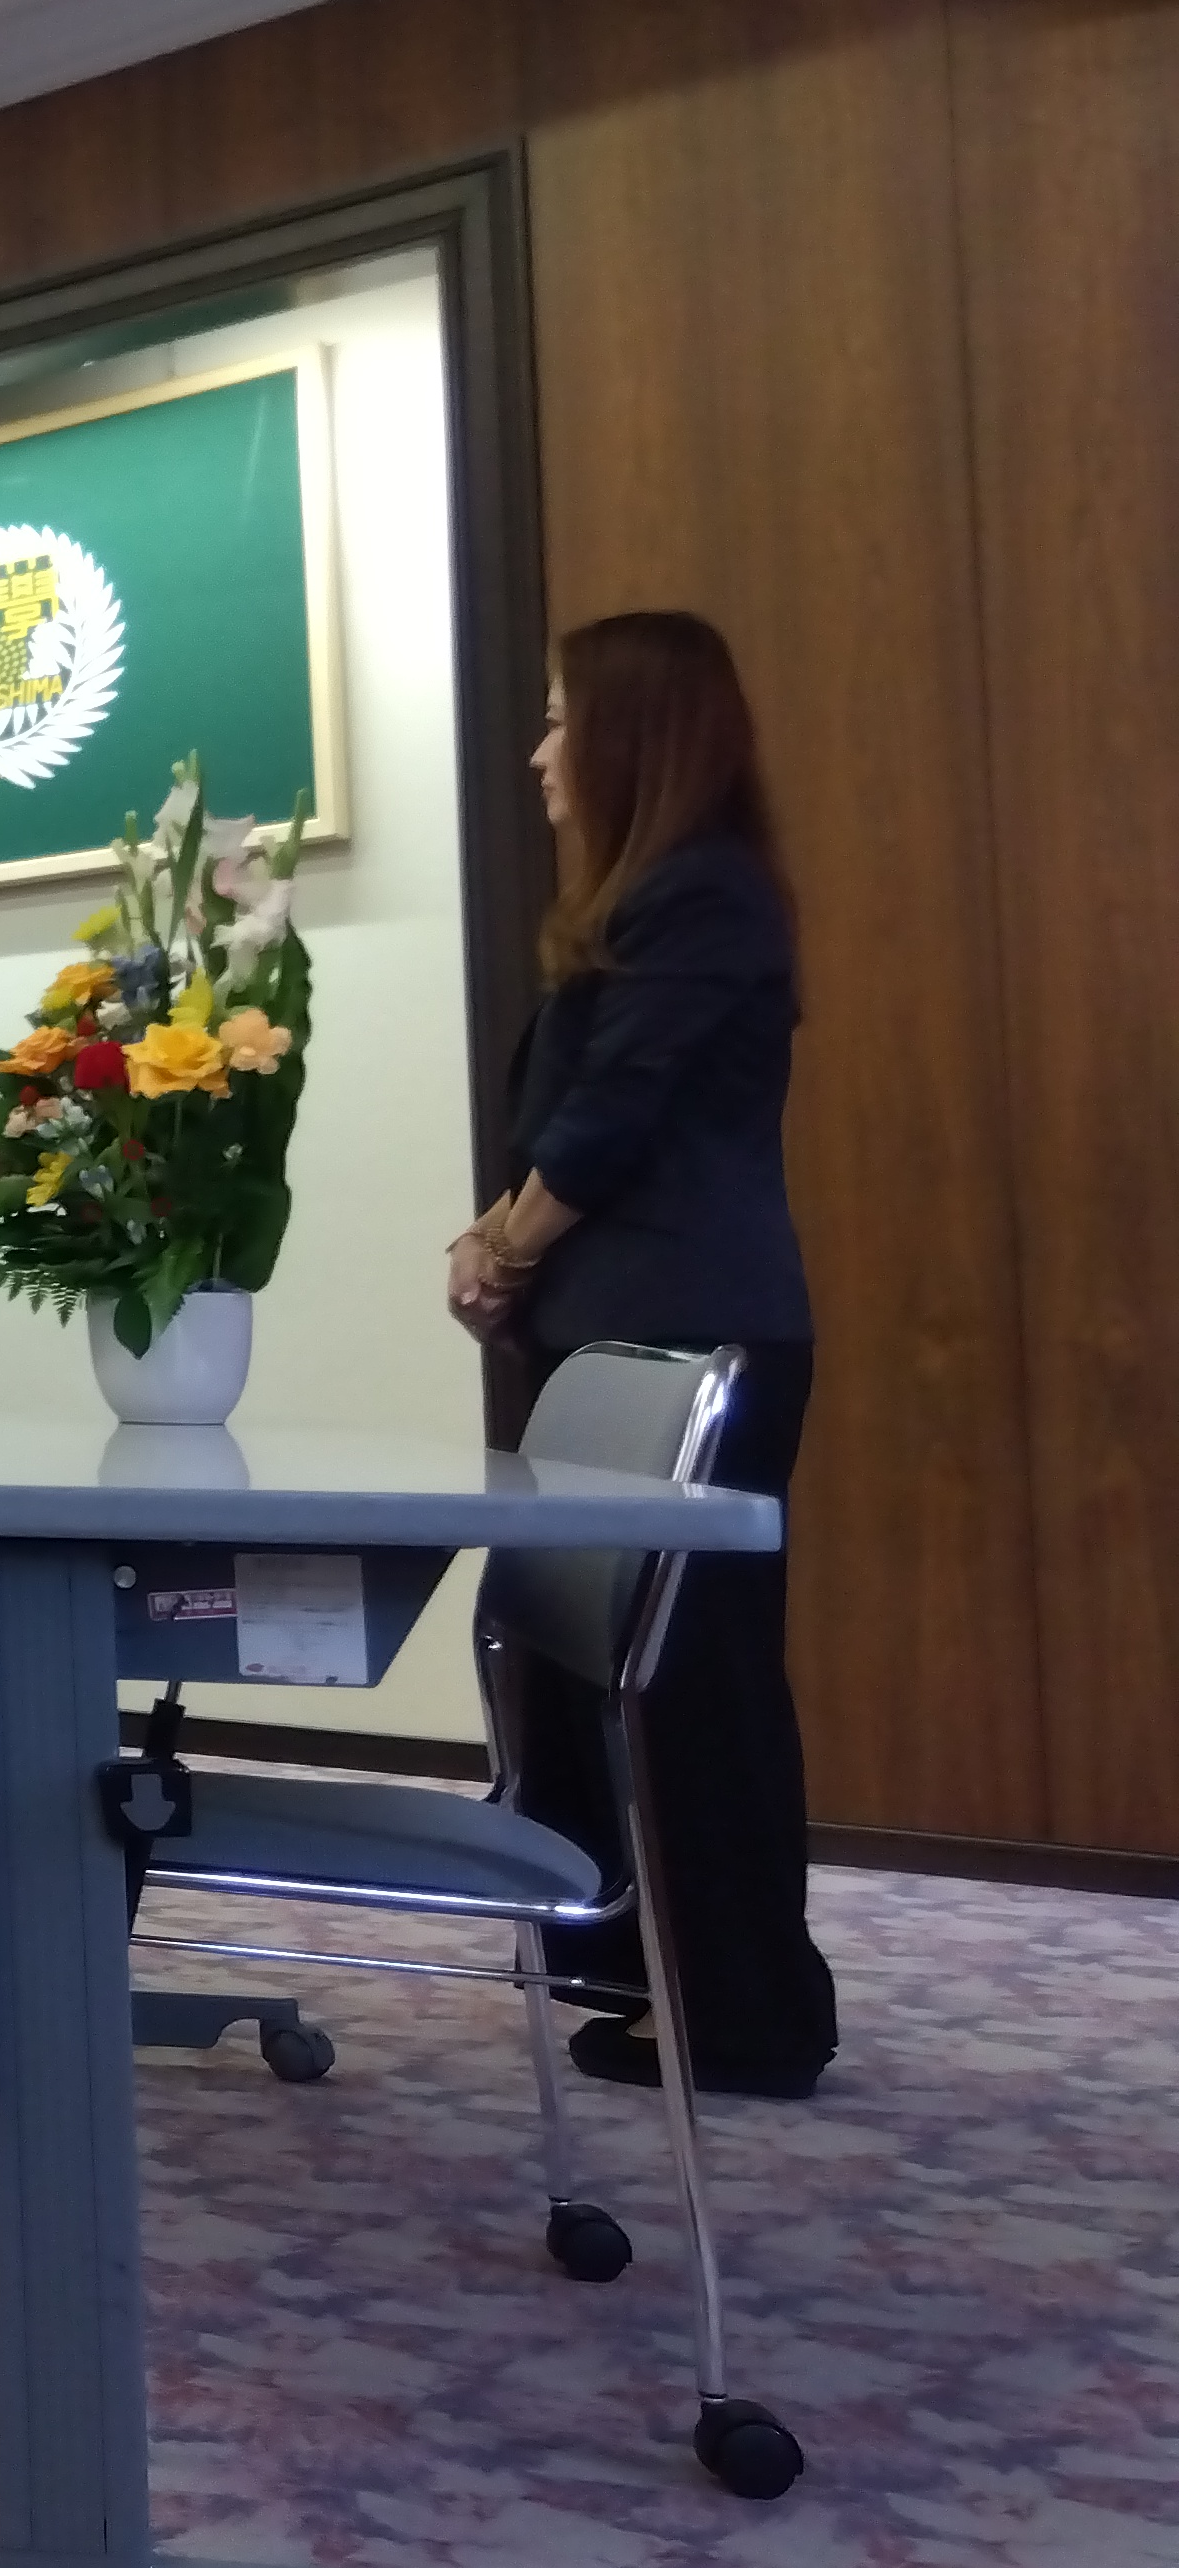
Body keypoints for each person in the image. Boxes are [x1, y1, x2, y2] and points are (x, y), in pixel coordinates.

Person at [447, 612, 834, 2099]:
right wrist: (502, 1245)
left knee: (692, 1682)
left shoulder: (704, 896)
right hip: (620, 1331)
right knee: (593, 1672)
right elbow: (574, 1122)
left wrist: (504, 1244)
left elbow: (615, 1119)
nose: (539, 753)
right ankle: (642, 1964)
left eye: (559, 720)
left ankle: (748, 2013)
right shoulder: (641, 904)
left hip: (695, 1342)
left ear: (631, 737)